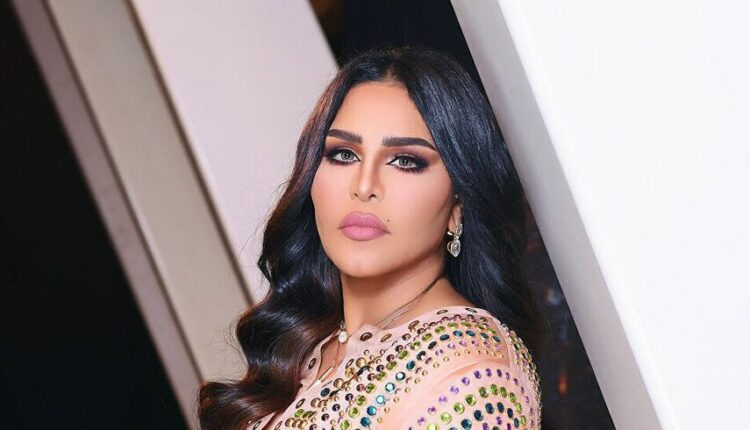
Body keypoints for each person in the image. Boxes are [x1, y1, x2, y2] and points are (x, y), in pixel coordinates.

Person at [198, 45, 544, 430]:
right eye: (344, 154)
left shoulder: (473, 373)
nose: (363, 186)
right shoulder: (311, 345)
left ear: (457, 205)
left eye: (405, 161)